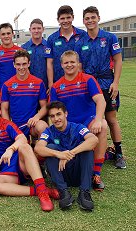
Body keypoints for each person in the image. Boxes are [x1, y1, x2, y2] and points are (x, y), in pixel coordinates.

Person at [0, 100, 59, 212]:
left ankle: (43, 193)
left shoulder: (7, 124)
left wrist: (10, 149)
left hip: (20, 162)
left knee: (25, 147)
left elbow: (22, 138)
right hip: (6, 168)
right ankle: (44, 191)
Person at [75, 6, 126, 169]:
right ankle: (91, 153)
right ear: (83, 21)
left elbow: (118, 60)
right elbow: (80, 68)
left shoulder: (110, 37)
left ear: (98, 18)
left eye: (92, 17)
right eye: (87, 18)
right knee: (91, 119)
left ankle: (118, 153)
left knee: (111, 119)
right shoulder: (80, 42)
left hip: (107, 84)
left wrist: (115, 82)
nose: (90, 21)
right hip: (89, 86)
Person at [50, 50, 108, 191]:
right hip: (68, 126)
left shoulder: (88, 79)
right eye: (66, 62)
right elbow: (53, 111)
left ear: (78, 64)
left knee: (104, 125)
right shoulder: (56, 86)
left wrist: (99, 120)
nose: (69, 65)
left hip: (87, 122)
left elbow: (100, 100)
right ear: (61, 65)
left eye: (72, 62)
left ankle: (96, 173)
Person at [35, 101, 99, 211]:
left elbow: (94, 140)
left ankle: (84, 192)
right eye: (52, 116)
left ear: (66, 114)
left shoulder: (78, 127)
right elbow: (38, 148)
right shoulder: (49, 131)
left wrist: (70, 154)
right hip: (61, 173)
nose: (56, 119)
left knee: (86, 148)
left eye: (58, 114)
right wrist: (59, 154)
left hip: (79, 173)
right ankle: (63, 191)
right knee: (50, 147)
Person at [1, 50, 48, 140]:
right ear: (14, 65)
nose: (21, 67)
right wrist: (9, 126)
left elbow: (44, 106)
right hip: (16, 126)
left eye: (24, 64)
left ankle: (40, 151)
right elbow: (4, 109)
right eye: (18, 64)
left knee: (43, 127)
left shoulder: (38, 82)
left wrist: (36, 117)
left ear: (29, 64)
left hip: (31, 125)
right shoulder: (7, 85)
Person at [45, 5, 86, 89]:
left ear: (73, 17)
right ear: (58, 20)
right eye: (62, 18)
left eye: (68, 17)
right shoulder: (52, 39)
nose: (66, 21)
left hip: (79, 82)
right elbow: (49, 63)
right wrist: (50, 83)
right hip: (59, 83)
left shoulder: (83, 35)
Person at [0, 23, 22, 102]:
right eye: (3, 34)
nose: (6, 36)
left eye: (8, 33)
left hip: (20, 90)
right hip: (3, 91)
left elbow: (27, 70)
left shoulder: (21, 51)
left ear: (13, 34)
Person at [21, 18, 49, 89]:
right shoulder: (24, 48)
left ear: (43, 29)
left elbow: (51, 65)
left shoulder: (49, 46)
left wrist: (50, 84)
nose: (36, 31)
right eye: (34, 28)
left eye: (39, 28)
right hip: (29, 86)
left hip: (46, 86)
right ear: (30, 30)